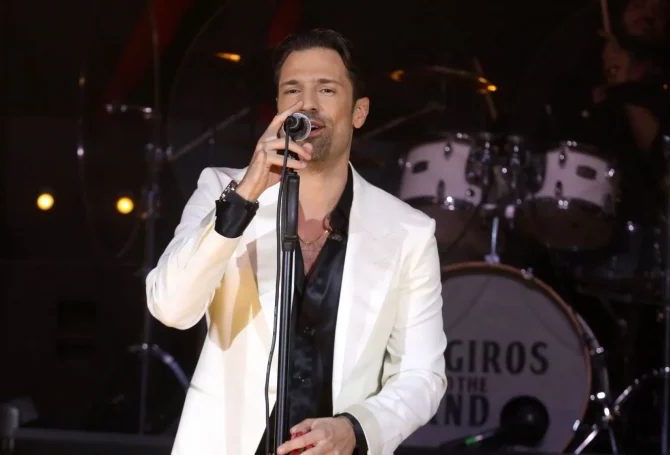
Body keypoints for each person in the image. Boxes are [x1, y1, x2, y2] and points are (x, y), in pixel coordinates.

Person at [145, 29, 447, 455]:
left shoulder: (408, 231)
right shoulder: (221, 190)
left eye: (326, 89)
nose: (307, 103)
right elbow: (170, 308)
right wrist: (244, 196)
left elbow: (422, 375)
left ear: (359, 112)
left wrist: (355, 429)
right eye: (292, 90)